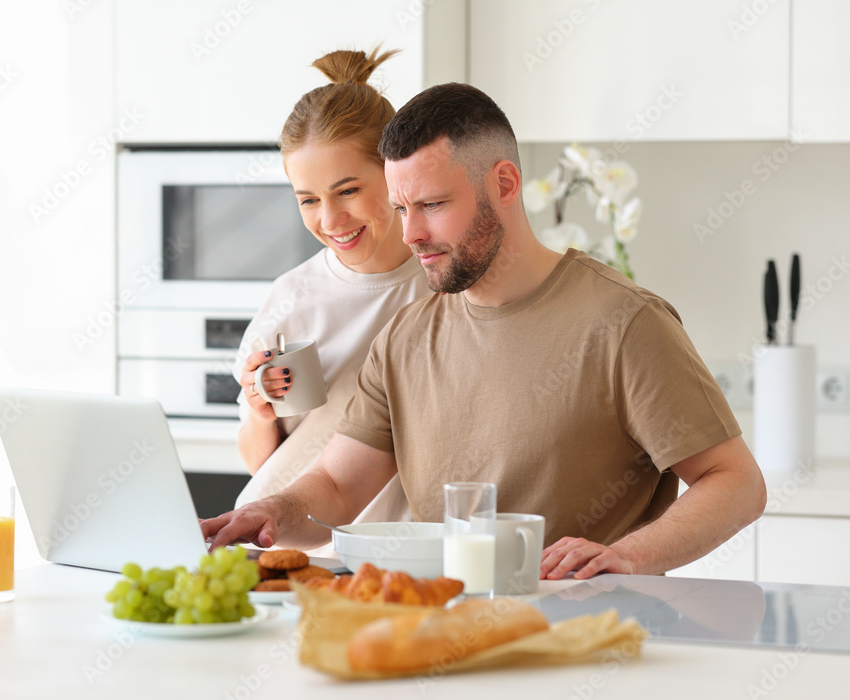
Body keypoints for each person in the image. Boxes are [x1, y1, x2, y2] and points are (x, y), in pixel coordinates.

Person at [205, 82, 767, 580]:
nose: (413, 234)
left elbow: (735, 481)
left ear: (504, 183)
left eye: (432, 204)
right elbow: (336, 487)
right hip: (445, 641)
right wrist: (270, 514)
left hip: (587, 640)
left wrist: (632, 556)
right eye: (402, 209)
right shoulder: (405, 338)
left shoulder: (623, 323)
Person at [231, 48, 432, 534]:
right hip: (287, 542)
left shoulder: (443, 285)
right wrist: (260, 413)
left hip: (393, 548)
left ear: (392, 172)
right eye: (308, 200)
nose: (330, 220)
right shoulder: (291, 297)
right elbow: (262, 467)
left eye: (347, 191)